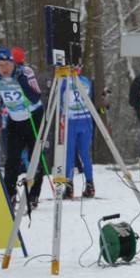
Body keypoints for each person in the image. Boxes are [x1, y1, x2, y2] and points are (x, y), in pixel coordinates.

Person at [0, 48, 46, 208]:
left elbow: (35, 97)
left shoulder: (25, 72)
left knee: (34, 158)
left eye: (7, 65)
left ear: (13, 63)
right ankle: (9, 195)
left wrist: (20, 80)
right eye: (0, 65)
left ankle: (33, 195)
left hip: (33, 118)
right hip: (14, 120)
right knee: (11, 160)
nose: (4, 69)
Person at [61, 70, 95, 199]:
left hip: (71, 121)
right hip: (85, 120)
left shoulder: (63, 81)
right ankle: (90, 185)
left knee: (69, 154)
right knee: (85, 154)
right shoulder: (86, 80)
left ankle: (69, 188)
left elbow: (60, 101)